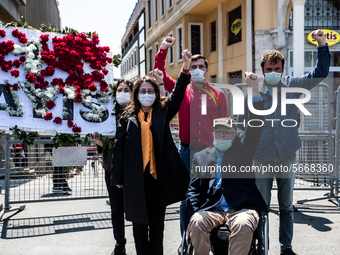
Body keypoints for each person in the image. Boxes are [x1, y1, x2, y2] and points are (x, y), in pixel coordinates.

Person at [237, 29, 331, 255]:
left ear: (283, 69)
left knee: (287, 206)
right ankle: (260, 246)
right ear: (262, 71)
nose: (273, 73)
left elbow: (319, 74)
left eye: (277, 69)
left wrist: (321, 45)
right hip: (261, 155)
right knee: (260, 207)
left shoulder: (293, 85)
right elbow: (244, 123)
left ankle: (286, 247)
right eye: (268, 70)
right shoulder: (253, 90)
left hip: (287, 154)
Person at [111, 49, 192, 255]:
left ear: (156, 94)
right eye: (142, 91)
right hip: (134, 179)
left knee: (157, 228)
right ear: (136, 94)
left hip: (158, 179)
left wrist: (185, 69)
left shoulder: (163, 112)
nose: (146, 94)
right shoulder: (127, 118)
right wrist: (117, 176)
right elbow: (118, 149)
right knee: (138, 227)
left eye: (150, 91)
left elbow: (178, 94)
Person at [153, 36, 228, 240]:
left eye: (199, 66)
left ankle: (208, 239)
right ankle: (186, 242)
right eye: (192, 65)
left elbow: (225, 125)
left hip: (212, 153)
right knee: (187, 198)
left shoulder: (218, 93)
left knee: (211, 196)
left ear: (206, 70)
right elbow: (159, 73)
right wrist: (163, 49)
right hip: (187, 152)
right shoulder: (182, 90)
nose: (195, 69)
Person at [185, 72, 267, 255]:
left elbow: (255, 125)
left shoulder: (243, 150)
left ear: (235, 135)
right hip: (211, 207)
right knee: (197, 222)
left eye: (227, 132)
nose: (222, 136)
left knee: (244, 224)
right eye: (219, 132)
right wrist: (191, 217)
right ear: (213, 134)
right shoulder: (201, 157)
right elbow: (192, 190)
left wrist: (254, 89)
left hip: (240, 207)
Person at [90, 78, 133, 255]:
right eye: (119, 90)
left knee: (136, 207)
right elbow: (104, 145)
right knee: (116, 208)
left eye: (126, 89)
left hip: (132, 170)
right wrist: (99, 143)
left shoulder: (137, 113)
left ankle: (141, 241)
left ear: (132, 93)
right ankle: (119, 244)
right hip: (111, 169)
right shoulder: (107, 114)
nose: (122, 93)